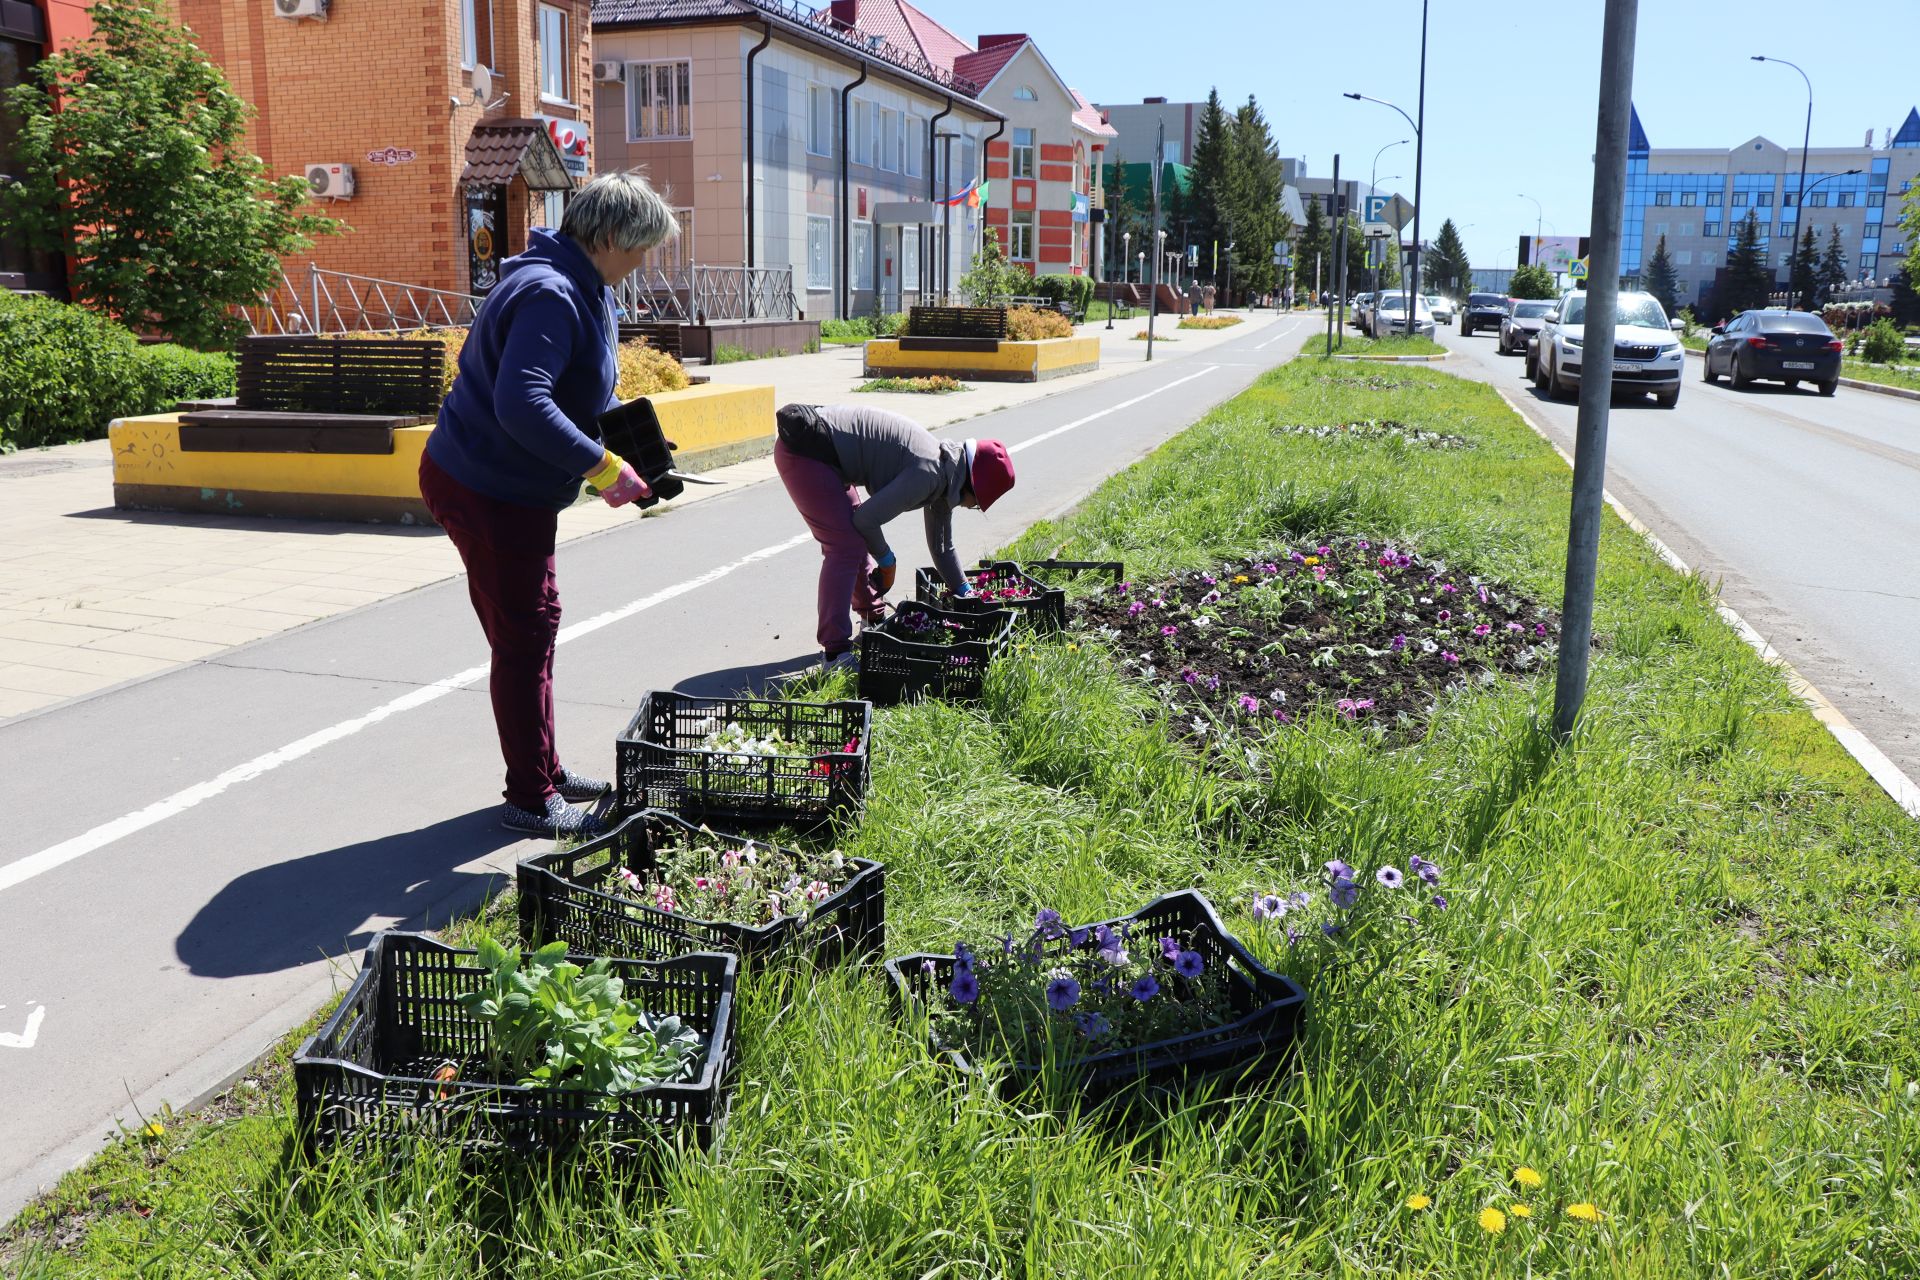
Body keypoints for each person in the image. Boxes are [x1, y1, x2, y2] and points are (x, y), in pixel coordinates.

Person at [417, 172, 677, 835]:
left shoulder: (579, 282)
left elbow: (578, 388)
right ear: (611, 236)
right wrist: (602, 466)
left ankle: (544, 769)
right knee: (525, 634)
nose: (642, 263)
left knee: (530, 632)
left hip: (510, 488)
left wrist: (630, 436)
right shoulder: (549, 293)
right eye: (640, 248)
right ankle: (531, 797)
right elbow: (521, 402)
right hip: (488, 487)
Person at [773, 404, 1014, 671]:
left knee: (853, 539)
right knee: (844, 546)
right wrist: (887, 561)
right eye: (977, 503)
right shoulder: (930, 473)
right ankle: (835, 654)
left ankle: (871, 618)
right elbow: (866, 519)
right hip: (806, 453)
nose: (971, 507)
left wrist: (966, 592)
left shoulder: (947, 473)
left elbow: (942, 547)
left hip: (829, 456)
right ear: (971, 486)